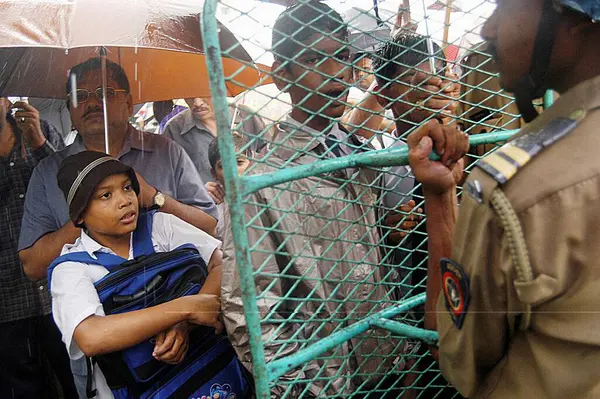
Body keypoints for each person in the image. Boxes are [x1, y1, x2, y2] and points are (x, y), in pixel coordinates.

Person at [407, 0, 600, 397]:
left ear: (576, 21)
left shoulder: (518, 190)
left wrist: (441, 197)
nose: (488, 29)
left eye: (504, 7)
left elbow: (458, 354)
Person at [220, 2, 400, 397]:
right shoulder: (262, 183)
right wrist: (298, 389)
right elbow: (248, 309)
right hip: (324, 380)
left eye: (343, 58)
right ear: (282, 76)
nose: (338, 76)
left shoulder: (356, 150)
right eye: (316, 60)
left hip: (385, 359)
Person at [18, 57, 218, 396]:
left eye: (105, 91)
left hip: (201, 358)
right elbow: (34, 266)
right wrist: (86, 208)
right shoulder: (49, 173)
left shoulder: (165, 153)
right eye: (80, 94)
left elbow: (212, 231)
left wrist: (154, 197)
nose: (92, 101)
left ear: (128, 101)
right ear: (69, 107)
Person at [50, 151, 223, 399]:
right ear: (79, 214)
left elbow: (221, 261)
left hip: (208, 374)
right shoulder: (71, 269)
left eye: (128, 188)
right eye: (106, 195)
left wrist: (185, 323)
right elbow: (91, 336)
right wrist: (183, 308)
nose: (125, 201)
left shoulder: (162, 227)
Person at [0, 98, 77, 398]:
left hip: (58, 284)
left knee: (77, 379)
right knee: (23, 389)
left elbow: (73, 185)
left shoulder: (41, 129)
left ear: (6, 101)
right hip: (8, 298)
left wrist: (40, 143)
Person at [163, 96, 267, 184]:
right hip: (205, 205)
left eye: (203, 94)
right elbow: (168, 180)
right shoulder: (174, 129)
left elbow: (270, 159)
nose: (197, 103)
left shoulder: (246, 116)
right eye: (189, 96)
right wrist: (198, 192)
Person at [206, 134, 252, 240]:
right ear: (214, 174)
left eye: (239, 163)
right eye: (224, 166)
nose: (233, 171)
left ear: (251, 163)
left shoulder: (265, 193)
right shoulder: (213, 205)